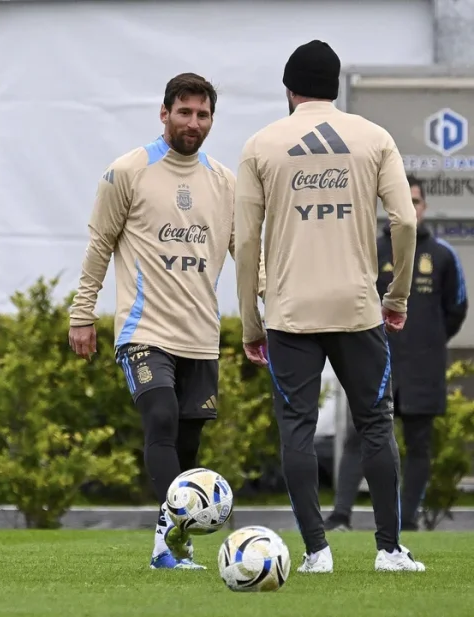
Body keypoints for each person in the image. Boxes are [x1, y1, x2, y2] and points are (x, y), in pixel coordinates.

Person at [233, 39, 425, 573]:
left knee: (296, 426)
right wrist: (398, 295)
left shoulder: (260, 144)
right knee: (375, 424)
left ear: (289, 91)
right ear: (335, 87)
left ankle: (318, 551)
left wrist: (252, 321)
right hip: (359, 307)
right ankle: (389, 549)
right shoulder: (374, 137)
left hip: (290, 312)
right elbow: (405, 222)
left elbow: (246, 243)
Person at [68, 73, 265, 570]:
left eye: (202, 115)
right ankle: (177, 537)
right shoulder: (128, 171)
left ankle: (167, 548)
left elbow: (246, 254)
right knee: (160, 419)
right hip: (144, 330)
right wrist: (82, 313)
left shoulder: (224, 182)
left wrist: (269, 302)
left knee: (189, 444)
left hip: (200, 334)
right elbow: (99, 244)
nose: (192, 122)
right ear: (164, 113)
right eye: (184, 112)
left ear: (211, 121)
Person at [325, 175, 468, 532]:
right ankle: (341, 516)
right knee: (360, 437)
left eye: (416, 201)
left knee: (419, 447)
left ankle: (405, 522)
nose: (410, 207)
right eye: (402, 201)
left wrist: (429, 341)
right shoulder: (373, 252)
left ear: (424, 207)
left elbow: (457, 308)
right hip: (377, 363)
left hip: (424, 368)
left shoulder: (443, 256)